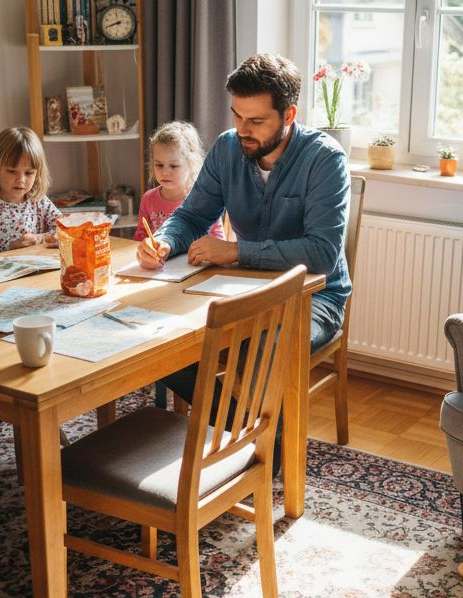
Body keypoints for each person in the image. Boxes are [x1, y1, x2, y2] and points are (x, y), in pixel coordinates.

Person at [136, 53, 351, 407]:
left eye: (256, 120)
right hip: (244, 288)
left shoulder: (325, 160)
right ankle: (240, 428)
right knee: (158, 335)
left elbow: (322, 253)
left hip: (314, 297)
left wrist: (237, 252)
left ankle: (266, 451)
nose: (243, 130)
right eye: (237, 116)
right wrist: (163, 241)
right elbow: (191, 216)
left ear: (289, 115)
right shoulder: (226, 148)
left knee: (266, 346)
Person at [134, 121, 224, 242]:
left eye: (174, 166)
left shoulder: (204, 199)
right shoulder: (148, 199)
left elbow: (218, 240)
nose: (165, 172)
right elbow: (140, 238)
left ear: (191, 164)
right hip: (161, 260)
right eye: (159, 165)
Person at [0, 127, 61, 251]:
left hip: (40, 266)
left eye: (29, 173)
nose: (21, 180)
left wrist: (40, 238)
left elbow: (65, 228)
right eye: (11, 171)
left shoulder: (38, 200)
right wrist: (10, 247)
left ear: (37, 173)